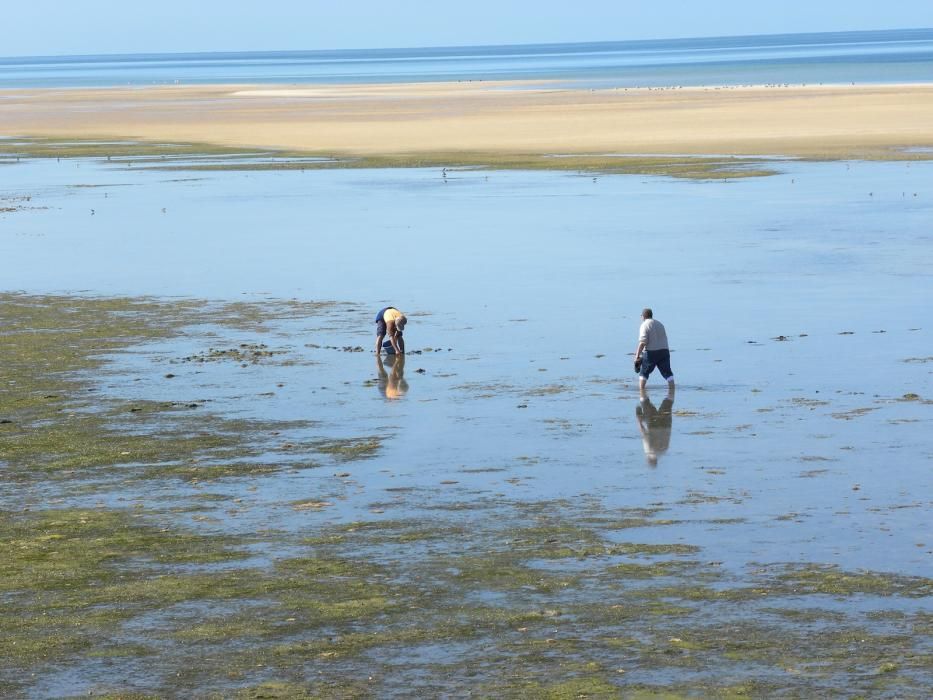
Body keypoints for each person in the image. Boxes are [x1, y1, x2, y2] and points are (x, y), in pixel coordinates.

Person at [634, 308, 674, 395]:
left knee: (644, 373)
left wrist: (636, 356)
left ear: (643, 316)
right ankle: (672, 392)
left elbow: (643, 342)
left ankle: (641, 395)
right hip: (664, 351)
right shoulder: (660, 324)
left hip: (651, 352)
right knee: (668, 373)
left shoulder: (644, 325)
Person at [636, 391, 674, 466]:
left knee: (668, 402)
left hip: (666, 425)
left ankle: (671, 386)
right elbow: (644, 434)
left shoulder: (663, 450)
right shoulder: (650, 451)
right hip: (654, 425)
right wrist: (639, 422)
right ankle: (642, 391)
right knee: (644, 402)